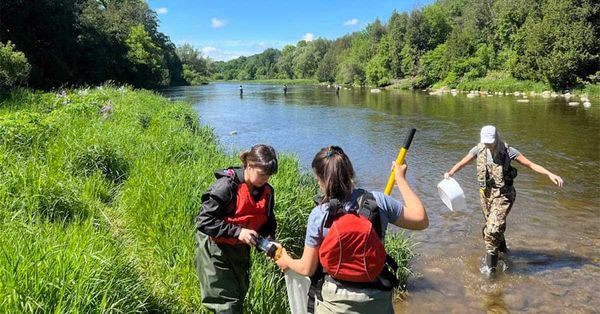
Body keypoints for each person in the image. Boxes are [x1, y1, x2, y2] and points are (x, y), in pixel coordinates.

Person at [275, 146, 428, 314]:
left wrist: (286, 260)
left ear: (320, 179)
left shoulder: (319, 214)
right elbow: (421, 220)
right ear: (351, 172)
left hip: (334, 303)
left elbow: (307, 269)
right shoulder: (379, 202)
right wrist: (400, 179)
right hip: (376, 300)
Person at [445, 125, 563, 274]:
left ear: (497, 138)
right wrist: (450, 173)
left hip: (504, 195)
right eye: (486, 142)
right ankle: (504, 254)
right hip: (486, 195)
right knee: (494, 226)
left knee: (492, 230)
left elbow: (531, 164)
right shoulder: (478, 149)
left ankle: (490, 271)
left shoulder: (509, 152)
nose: (488, 145)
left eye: (491, 142)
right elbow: (462, 163)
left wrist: (549, 174)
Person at [195, 144, 278, 313]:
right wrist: (238, 232)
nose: (265, 179)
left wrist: (270, 242)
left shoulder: (267, 192)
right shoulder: (226, 187)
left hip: (240, 253)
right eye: (262, 174)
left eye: (269, 175)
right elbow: (204, 221)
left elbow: (268, 222)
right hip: (215, 251)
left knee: (238, 297)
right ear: (248, 165)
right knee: (227, 305)